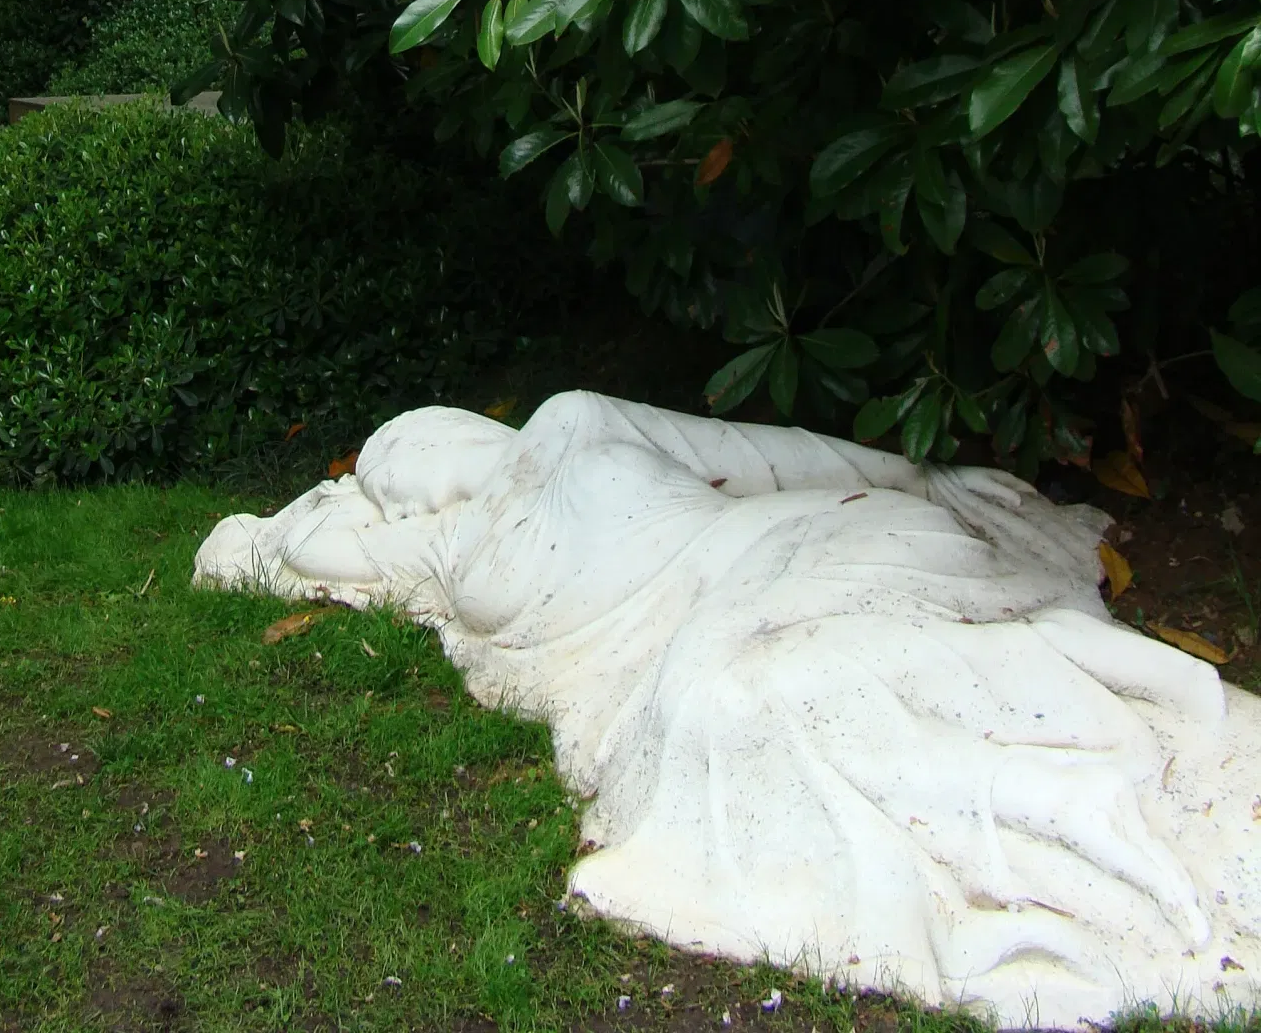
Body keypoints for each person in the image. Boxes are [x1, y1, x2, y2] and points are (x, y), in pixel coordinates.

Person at [196, 391, 1261, 1028]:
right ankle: (1124, 862)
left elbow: (771, 453)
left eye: (414, 445)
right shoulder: (444, 550)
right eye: (385, 481)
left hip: (801, 546)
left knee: (795, 678)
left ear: (468, 423)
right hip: (697, 638)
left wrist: (927, 477)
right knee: (746, 700)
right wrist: (290, 524)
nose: (410, 476)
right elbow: (269, 550)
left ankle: (1162, 822)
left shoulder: (576, 425)